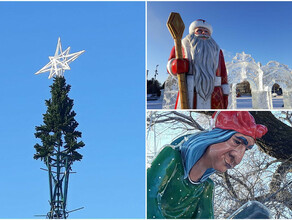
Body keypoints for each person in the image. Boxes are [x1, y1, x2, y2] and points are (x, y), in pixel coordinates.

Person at [147, 111, 268, 219]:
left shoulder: (206, 187)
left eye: (246, 150)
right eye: (236, 142)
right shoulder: (171, 158)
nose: (238, 157)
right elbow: (147, 196)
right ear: (215, 137)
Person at [166, 19, 229, 109]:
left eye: (206, 31)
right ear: (193, 32)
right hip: (189, 91)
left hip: (215, 93)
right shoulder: (181, 46)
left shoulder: (217, 50)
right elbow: (170, 65)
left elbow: (223, 71)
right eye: (199, 30)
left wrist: (225, 93)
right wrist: (175, 65)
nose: (203, 33)